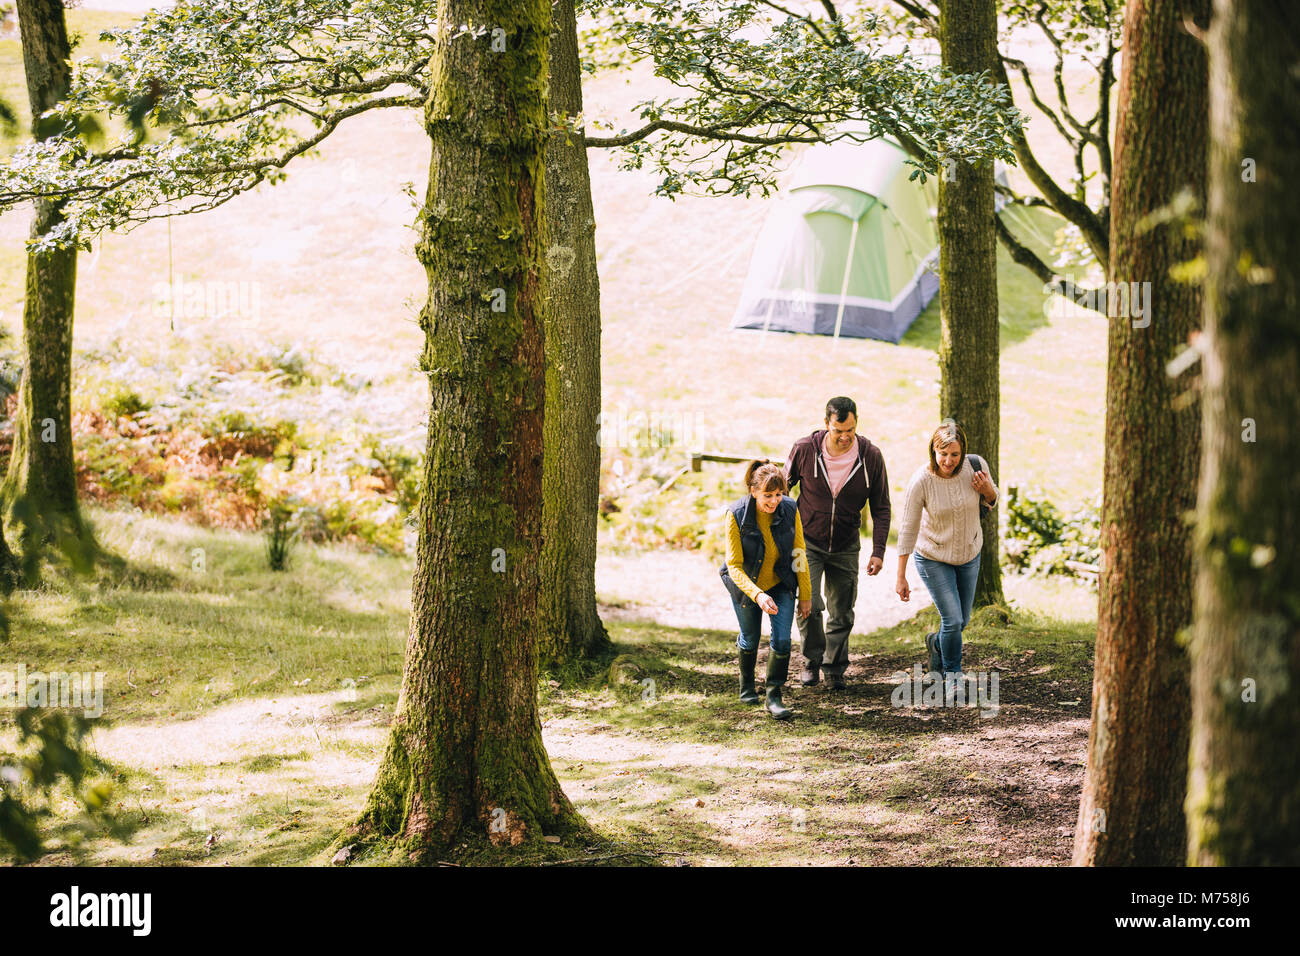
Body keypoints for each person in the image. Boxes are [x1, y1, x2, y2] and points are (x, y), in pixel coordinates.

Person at [783, 397, 891, 690]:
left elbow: (881, 507)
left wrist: (878, 551)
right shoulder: (804, 449)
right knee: (810, 605)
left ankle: (834, 668)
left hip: (845, 544)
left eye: (851, 431)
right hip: (806, 543)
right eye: (838, 431)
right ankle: (811, 661)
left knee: (842, 610)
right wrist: (781, 534)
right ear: (826, 424)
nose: (845, 437)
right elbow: (782, 488)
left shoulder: (870, 456)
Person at [894, 418, 998, 701]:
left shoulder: (976, 466)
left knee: (962, 620)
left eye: (955, 454)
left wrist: (987, 489)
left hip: (969, 553)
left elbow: (992, 499)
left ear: (962, 451)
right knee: (951, 620)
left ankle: (937, 644)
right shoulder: (922, 481)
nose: (949, 460)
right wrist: (901, 575)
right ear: (933, 450)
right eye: (943, 454)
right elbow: (908, 528)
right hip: (933, 557)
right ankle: (953, 675)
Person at [719, 460, 812, 720]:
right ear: (753, 491)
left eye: (779, 495)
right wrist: (757, 594)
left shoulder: (790, 509)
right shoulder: (736, 514)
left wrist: (806, 594)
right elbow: (734, 566)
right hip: (746, 584)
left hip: (781, 582)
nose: (774, 501)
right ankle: (746, 685)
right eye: (768, 495)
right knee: (750, 637)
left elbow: (799, 552)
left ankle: (774, 695)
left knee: (782, 639)